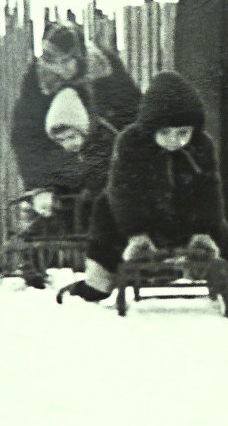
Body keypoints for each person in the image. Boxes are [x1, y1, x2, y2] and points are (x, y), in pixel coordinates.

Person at [58, 70, 228, 304]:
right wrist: (136, 232)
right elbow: (124, 192)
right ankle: (96, 285)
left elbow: (209, 191)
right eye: (165, 133)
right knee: (105, 225)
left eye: (183, 132)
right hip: (133, 216)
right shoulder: (131, 142)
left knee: (224, 233)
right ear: (150, 129)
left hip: (182, 215)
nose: (176, 140)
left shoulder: (200, 145)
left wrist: (204, 228)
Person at [9, 20, 140, 286]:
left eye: (69, 60)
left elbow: (133, 113)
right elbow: (26, 134)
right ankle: (32, 262)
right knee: (46, 206)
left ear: (80, 54)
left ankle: (129, 261)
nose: (62, 68)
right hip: (59, 153)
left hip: (105, 150)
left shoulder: (104, 66)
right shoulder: (37, 78)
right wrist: (39, 186)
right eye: (54, 62)